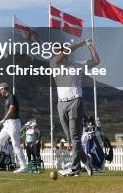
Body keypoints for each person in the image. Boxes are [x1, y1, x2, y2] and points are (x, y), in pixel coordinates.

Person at [52, 38, 99, 176]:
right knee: (71, 140)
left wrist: (89, 45)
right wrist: (80, 42)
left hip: (75, 102)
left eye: (58, 50)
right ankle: (86, 160)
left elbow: (96, 61)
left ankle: (74, 169)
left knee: (75, 137)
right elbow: (62, 56)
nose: (57, 53)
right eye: (55, 51)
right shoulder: (53, 63)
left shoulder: (77, 66)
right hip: (61, 104)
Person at [0, 82, 27, 173]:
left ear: (3, 89)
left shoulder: (12, 97)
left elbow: (12, 108)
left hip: (13, 123)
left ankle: (23, 166)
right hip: (7, 124)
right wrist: (4, 121)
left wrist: (3, 119)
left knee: (15, 144)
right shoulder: (7, 98)